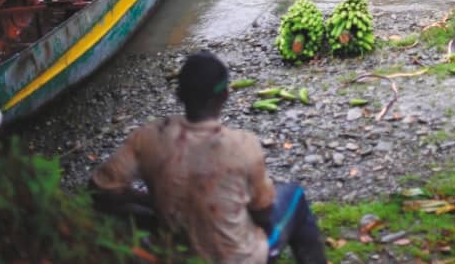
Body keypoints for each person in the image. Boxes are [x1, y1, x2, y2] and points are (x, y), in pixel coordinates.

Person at [89, 51, 327, 264]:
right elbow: (263, 211)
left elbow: (100, 188)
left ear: (179, 94)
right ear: (224, 95)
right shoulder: (243, 145)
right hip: (240, 257)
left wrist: (154, 204)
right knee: (294, 195)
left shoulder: (148, 137)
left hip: (178, 251)